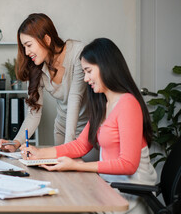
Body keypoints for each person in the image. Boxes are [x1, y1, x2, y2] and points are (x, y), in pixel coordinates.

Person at [20, 38, 157, 213]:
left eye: (88, 71)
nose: (85, 78)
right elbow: (81, 145)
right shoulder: (103, 104)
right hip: (111, 188)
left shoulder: (128, 104)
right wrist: (40, 153)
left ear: (105, 66)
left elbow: (128, 164)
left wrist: (76, 165)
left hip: (128, 193)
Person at [0, 13, 90, 154]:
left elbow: (75, 99)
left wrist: (68, 148)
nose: (26, 52)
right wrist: (15, 143)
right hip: (62, 129)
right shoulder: (37, 68)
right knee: (62, 175)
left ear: (46, 39)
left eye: (29, 45)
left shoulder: (77, 52)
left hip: (86, 130)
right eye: (23, 47)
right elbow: (33, 113)